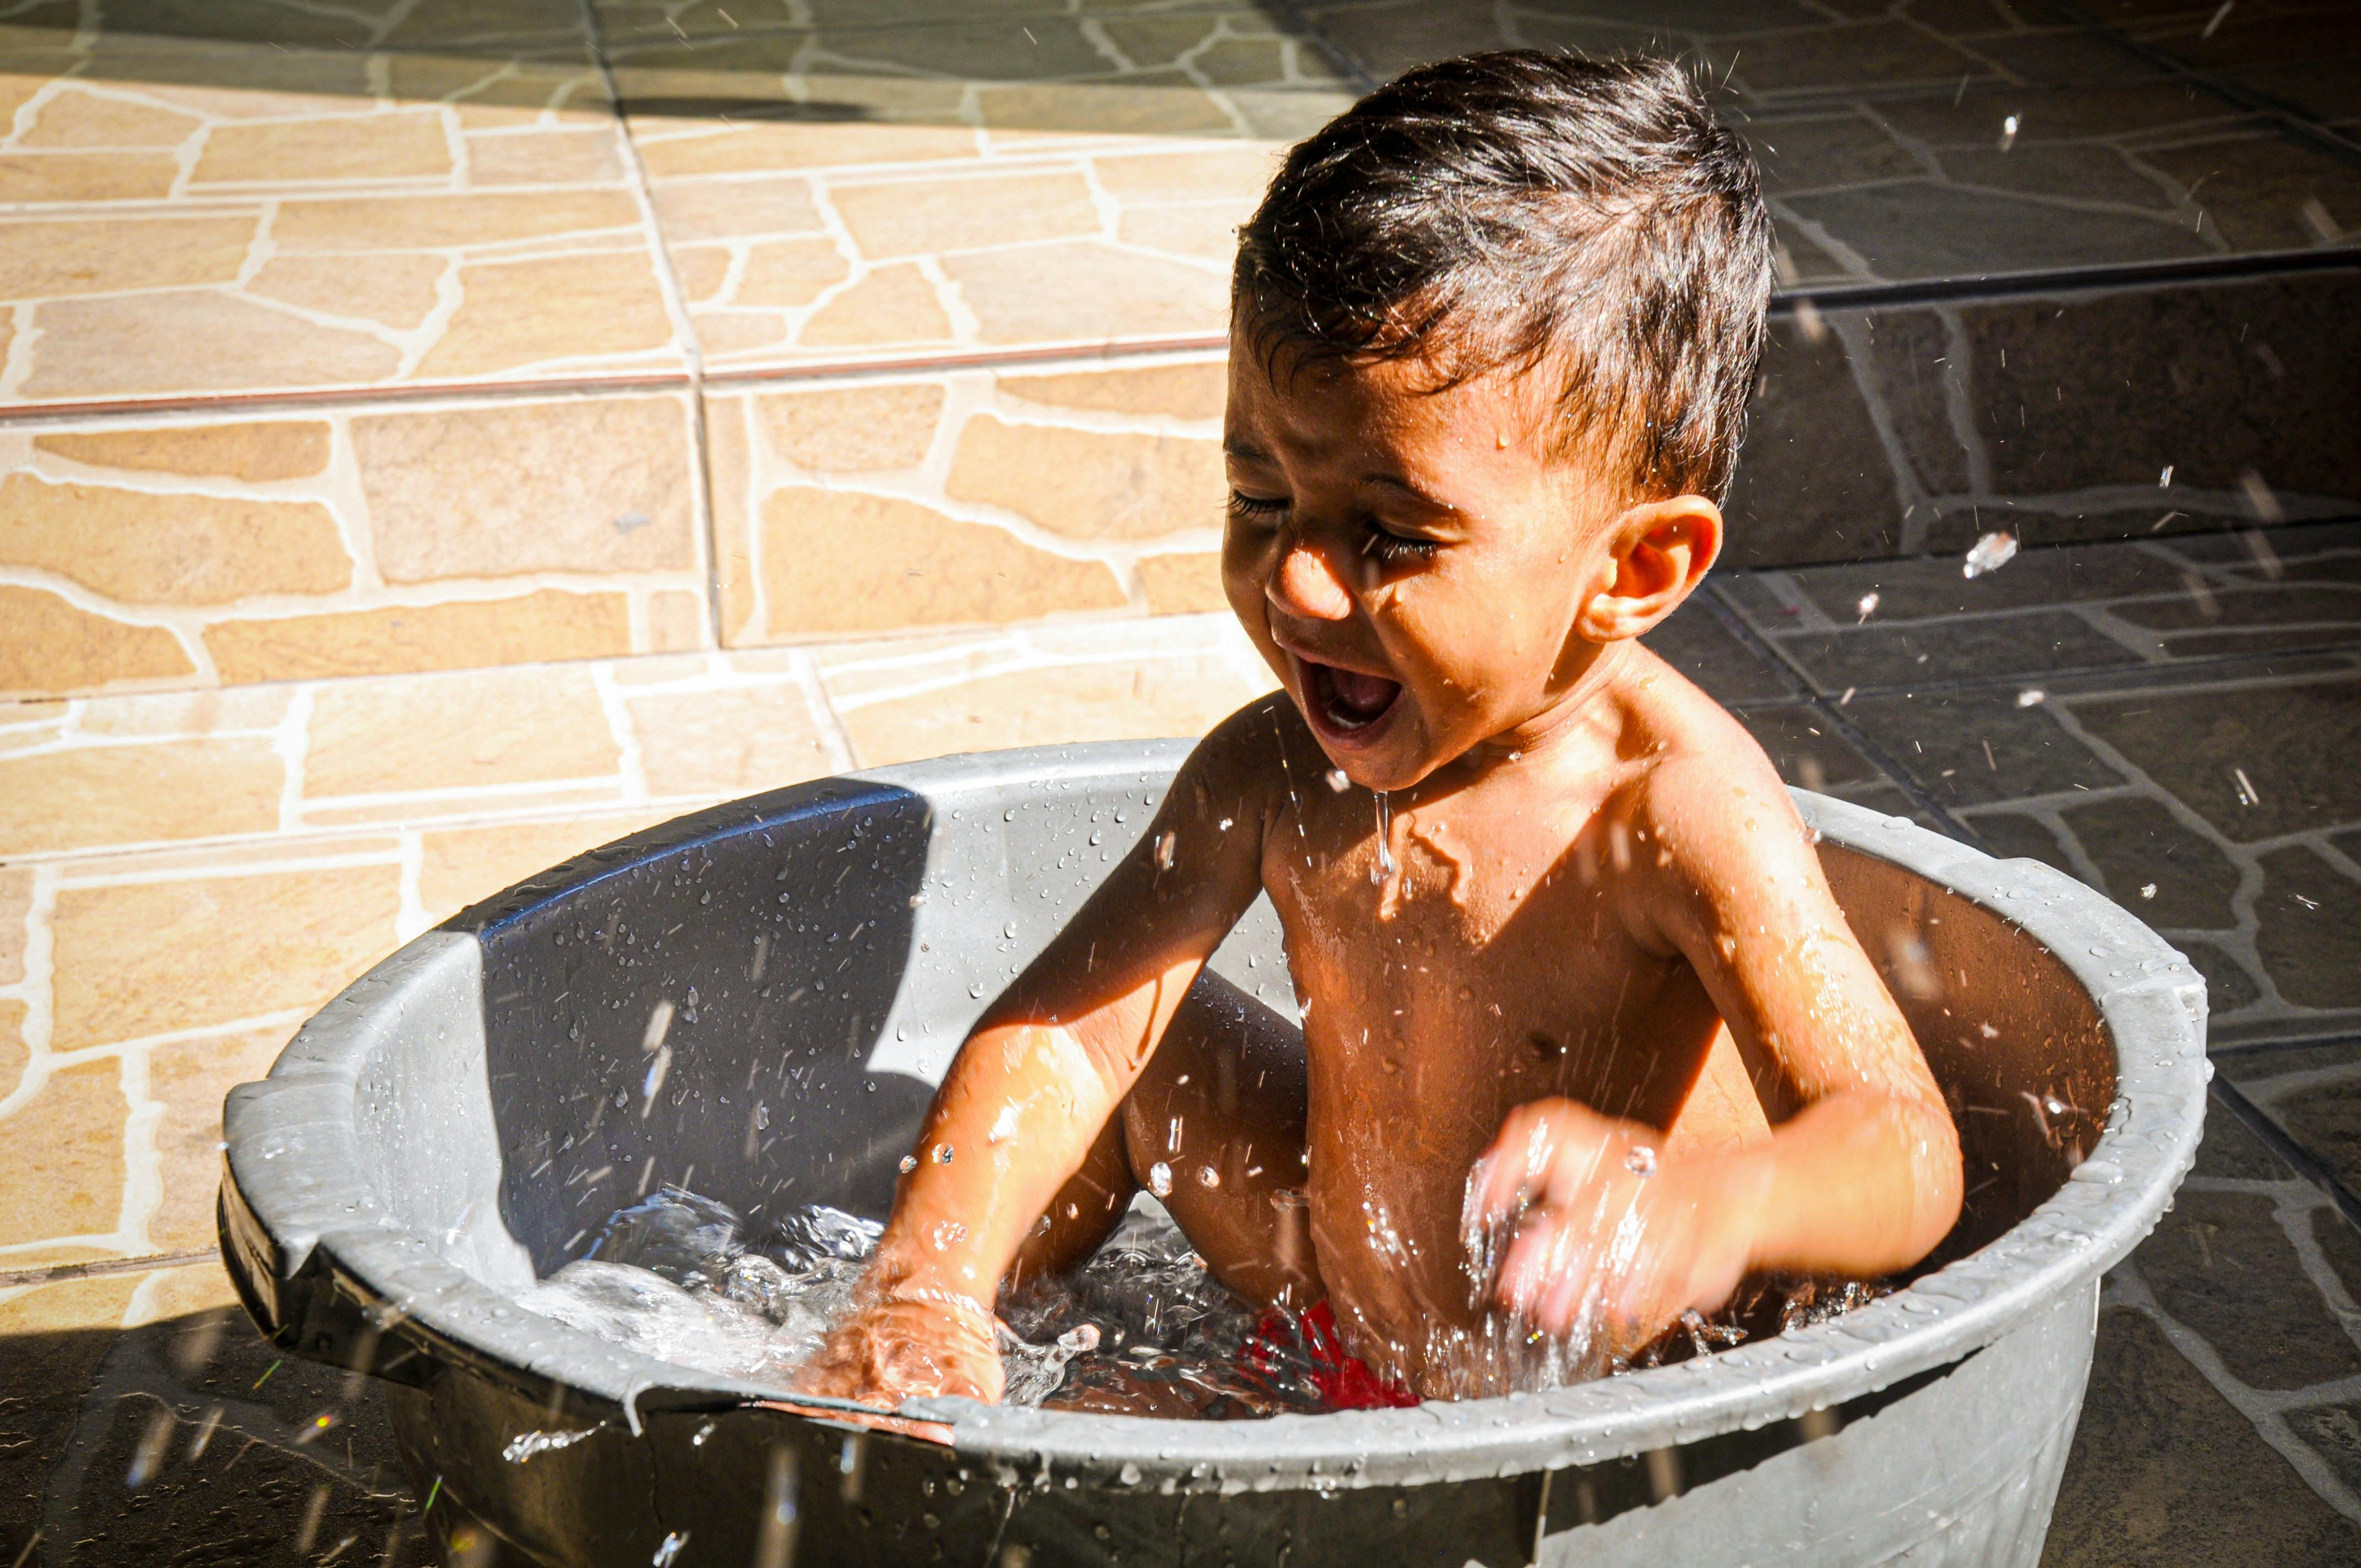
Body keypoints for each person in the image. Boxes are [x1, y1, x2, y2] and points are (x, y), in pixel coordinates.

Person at [798, 50, 1962, 1412]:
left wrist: (1709, 1202)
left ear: (1632, 570)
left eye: (1390, 535)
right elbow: (1065, 1040)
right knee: (1131, 1051)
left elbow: (1901, 1145)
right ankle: (929, 1363)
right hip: (1335, 1315)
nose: (1295, 582)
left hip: (1581, 1390)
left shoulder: (1672, 804)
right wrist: (924, 1280)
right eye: (1257, 495)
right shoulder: (1268, 772)